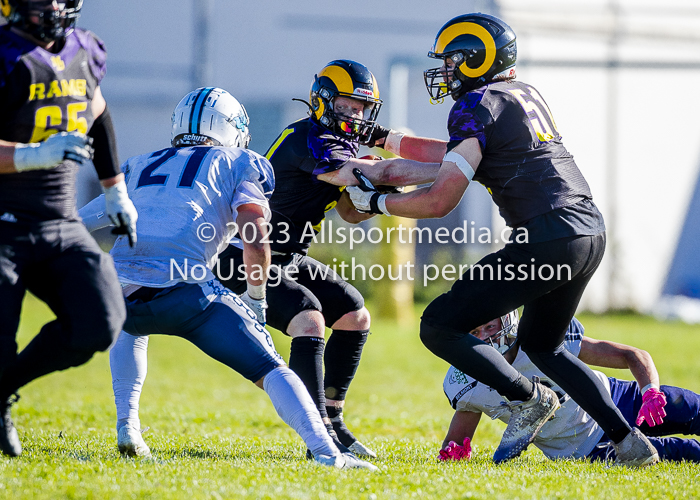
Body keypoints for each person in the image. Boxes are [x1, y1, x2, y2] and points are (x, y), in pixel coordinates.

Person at [347, 13, 658, 467]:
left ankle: (527, 398)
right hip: (588, 231)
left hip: (547, 236)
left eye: (453, 60)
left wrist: (377, 204)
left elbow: (439, 201)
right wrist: (389, 142)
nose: (446, 71)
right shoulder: (520, 94)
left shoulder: (476, 104)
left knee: (438, 324)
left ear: (477, 58)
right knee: (544, 346)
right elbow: (455, 153)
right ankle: (630, 443)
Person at [80, 86, 376, 470]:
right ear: (229, 128)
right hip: (188, 297)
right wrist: (255, 297)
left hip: (118, 300)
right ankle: (327, 453)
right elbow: (253, 230)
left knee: (131, 328)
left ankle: (128, 427)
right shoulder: (240, 161)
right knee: (271, 369)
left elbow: (82, 221)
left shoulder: (139, 164)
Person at [209, 59, 444, 459]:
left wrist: (380, 201)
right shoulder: (308, 137)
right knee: (309, 319)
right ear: (323, 101)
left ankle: (332, 420)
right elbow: (370, 173)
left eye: (360, 108)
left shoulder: (340, 144)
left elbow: (351, 210)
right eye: (346, 105)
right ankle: (317, 433)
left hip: (287, 254)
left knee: (355, 315)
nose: (354, 115)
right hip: (243, 251)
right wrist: (452, 170)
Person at [0, 0, 137, 457]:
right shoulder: (4, 53)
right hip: (3, 224)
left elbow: (96, 113)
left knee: (100, 322)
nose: (53, 6)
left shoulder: (85, 50)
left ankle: (0, 391)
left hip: (60, 220)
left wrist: (115, 190)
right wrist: (29, 155)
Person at [439, 313, 700, 463]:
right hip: (586, 445)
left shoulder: (540, 338)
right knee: (685, 454)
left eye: (489, 326)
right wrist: (455, 450)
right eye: (475, 332)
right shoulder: (466, 382)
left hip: (618, 398)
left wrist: (650, 392)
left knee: (693, 409)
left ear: (506, 318)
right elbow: (458, 439)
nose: (485, 337)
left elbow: (632, 355)